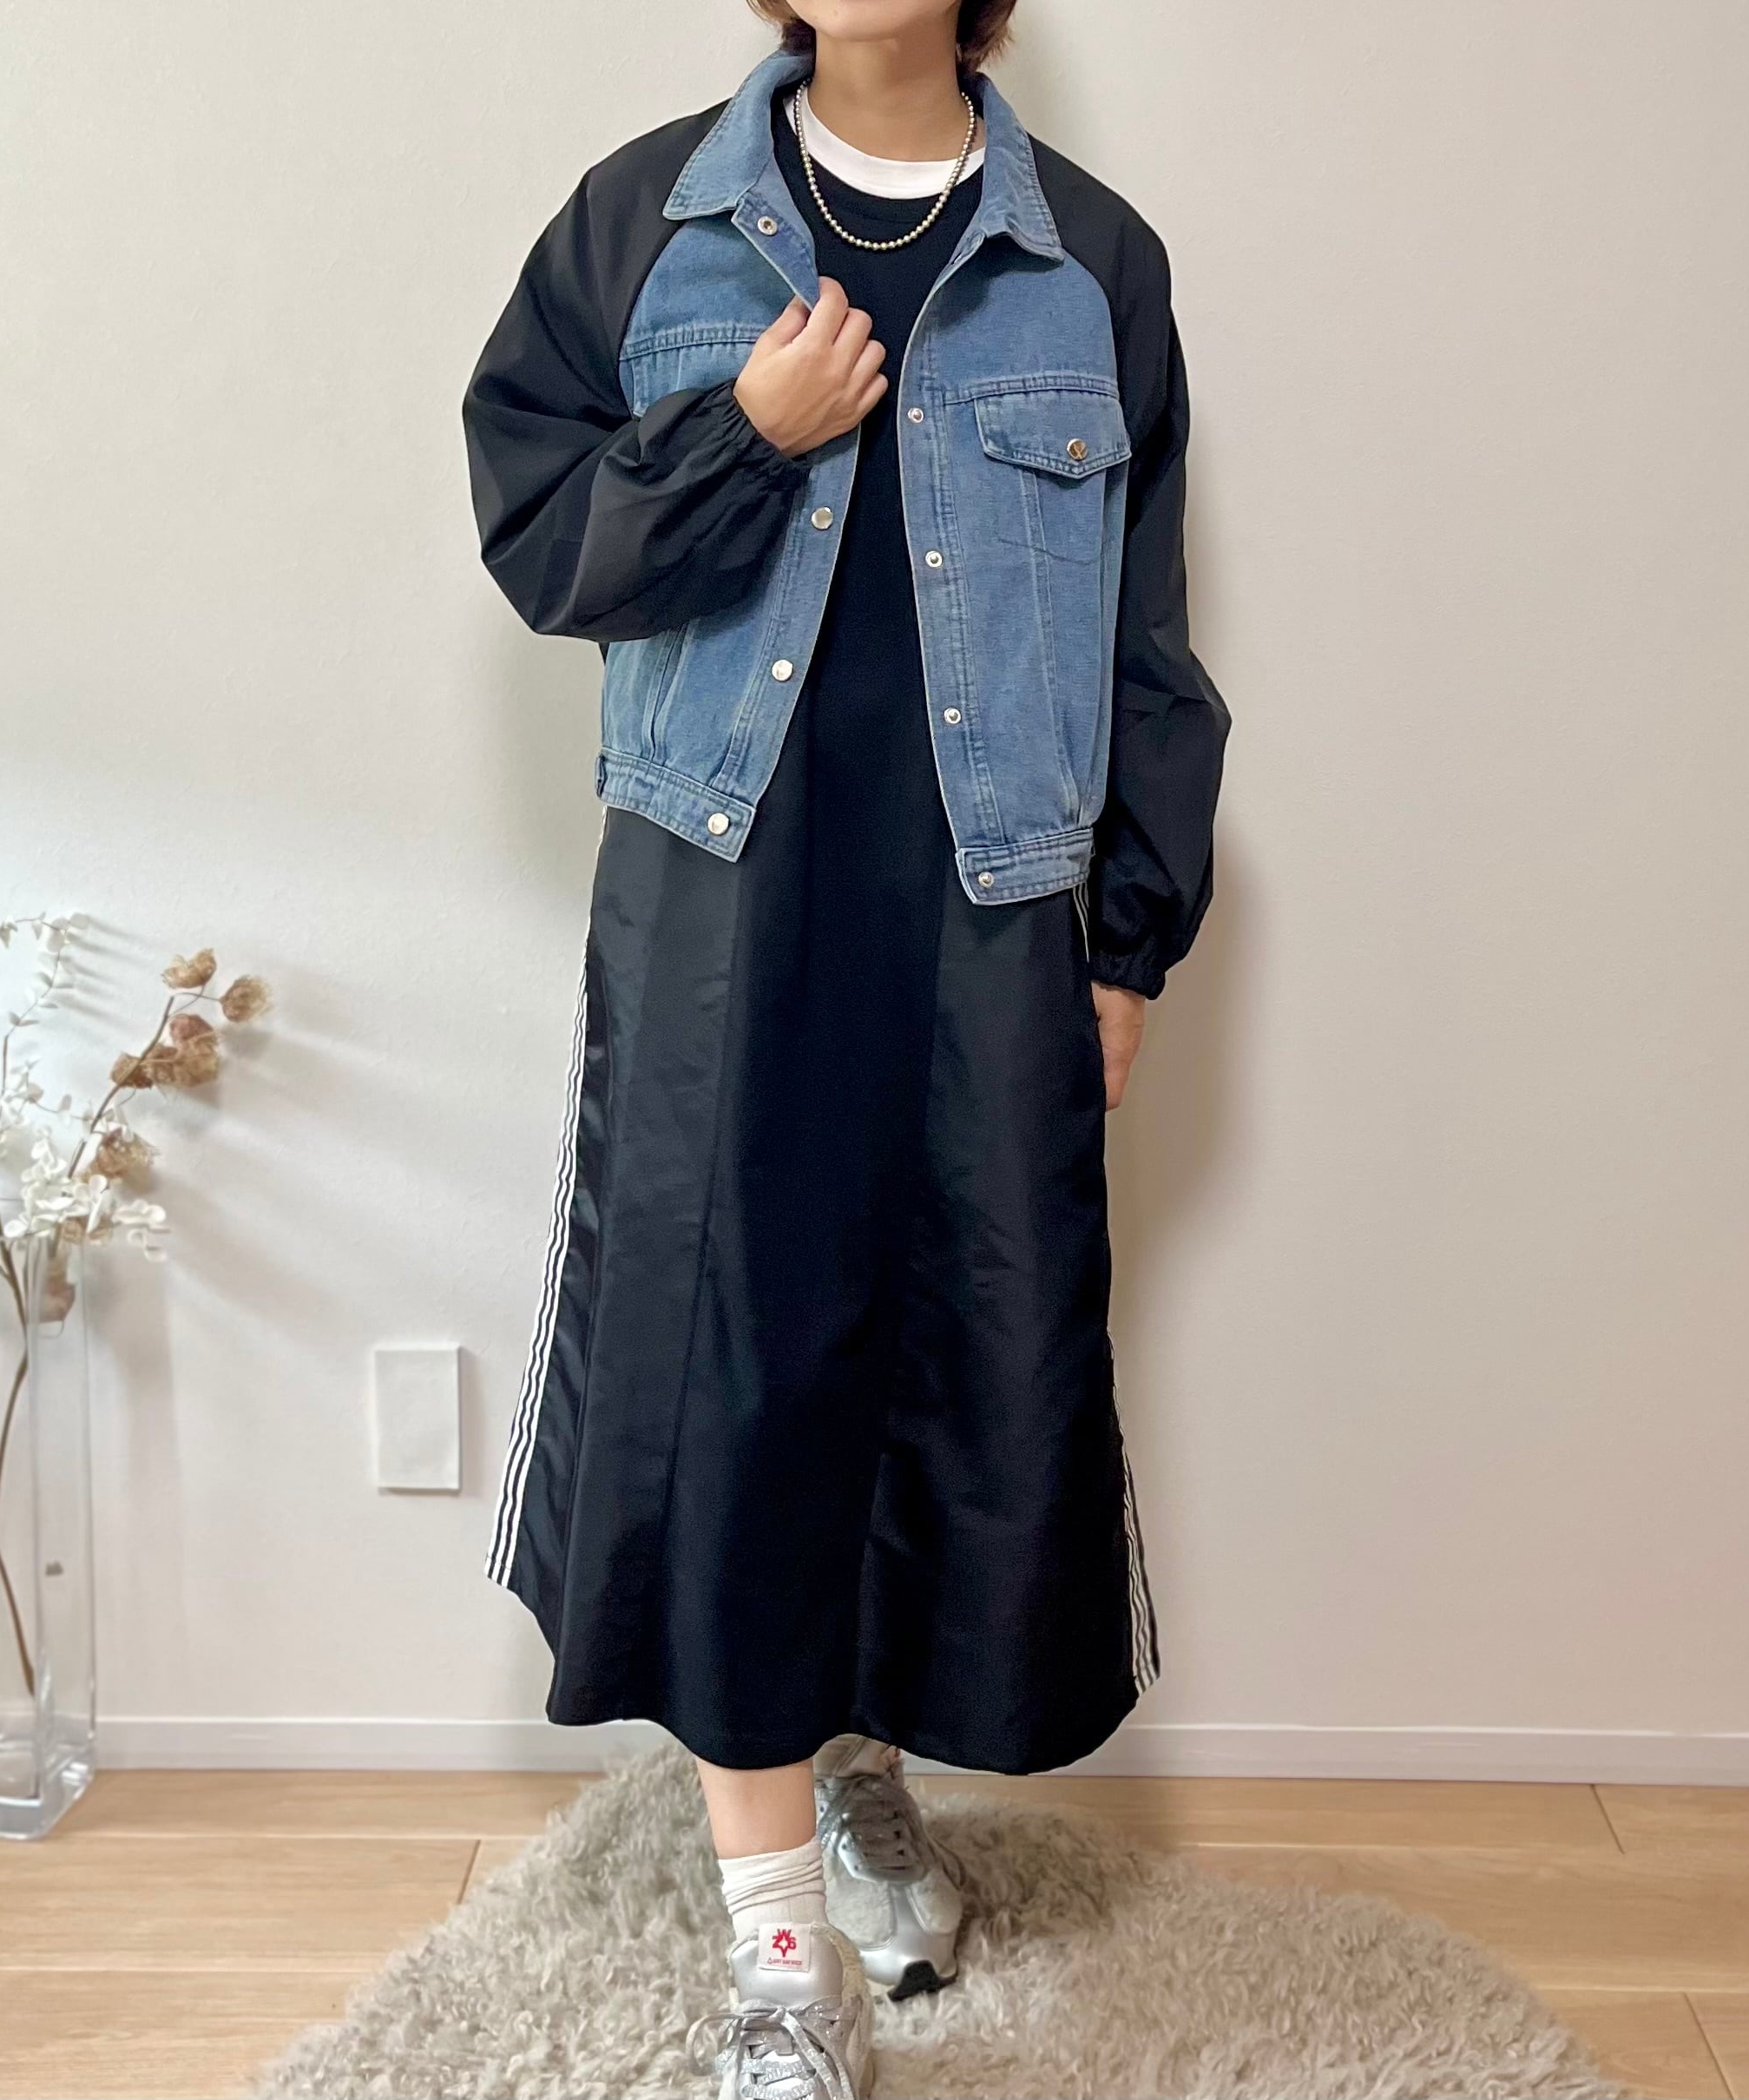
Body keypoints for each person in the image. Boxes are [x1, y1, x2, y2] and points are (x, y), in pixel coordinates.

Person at [462, 2, 1226, 2091]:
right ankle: (776, 1941)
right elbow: (544, 541)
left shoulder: (1091, 260)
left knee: (946, 1366)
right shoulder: (647, 222)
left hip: (990, 912)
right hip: (723, 902)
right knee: (731, 1378)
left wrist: (1128, 944)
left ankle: (861, 1767)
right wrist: (750, 428)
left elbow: (1146, 635)